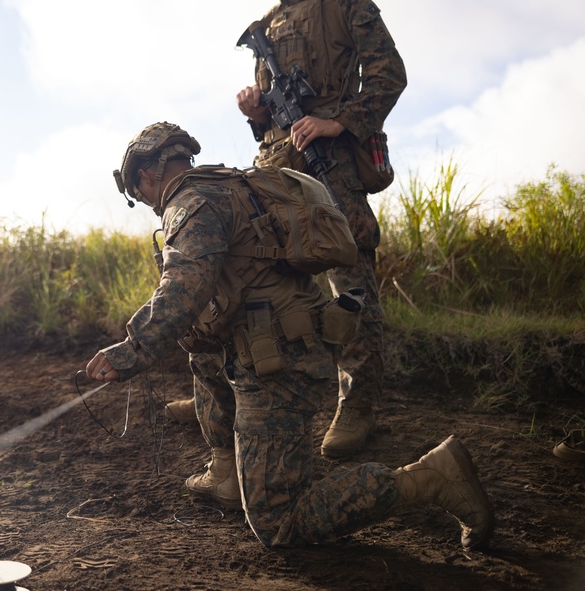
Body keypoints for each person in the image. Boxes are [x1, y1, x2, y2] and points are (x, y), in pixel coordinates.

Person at [85, 121, 494, 548]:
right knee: (201, 349)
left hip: (279, 362)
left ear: (145, 175)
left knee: (278, 523)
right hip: (278, 341)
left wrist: (130, 351)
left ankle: (430, 477)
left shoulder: (190, 203)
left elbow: (183, 289)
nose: (144, 201)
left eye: (138, 193)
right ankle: (227, 471)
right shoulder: (228, 185)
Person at [236, 0, 407, 458]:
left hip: (332, 166)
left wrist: (339, 121)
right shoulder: (264, 26)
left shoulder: (345, 1)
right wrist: (256, 112)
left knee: (349, 283)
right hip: (277, 171)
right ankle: (262, 395)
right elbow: (272, 118)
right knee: (265, 279)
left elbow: (389, 73)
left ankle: (357, 405)